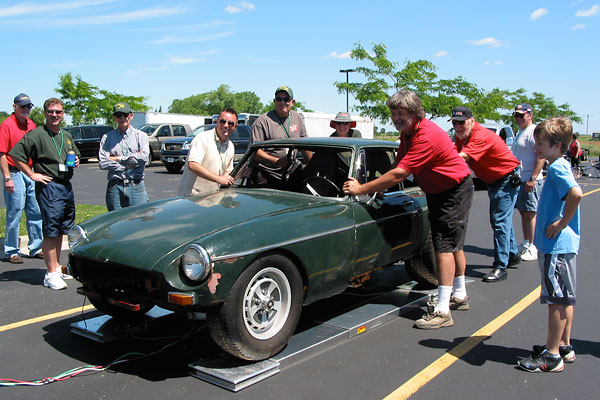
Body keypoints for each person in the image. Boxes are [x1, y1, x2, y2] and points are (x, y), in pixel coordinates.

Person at [343, 90, 473, 330]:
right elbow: (398, 164)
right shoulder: (408, 134)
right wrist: (380, 186)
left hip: (453, 191)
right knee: (454, 244)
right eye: (393, 113)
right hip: (440, 191)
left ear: (414, 113)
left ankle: (443, 310)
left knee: (444, 245)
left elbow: (401, 174)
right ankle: (460, 295)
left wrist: (362, 189)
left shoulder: (426, 135)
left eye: (401, 113)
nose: (396, 118)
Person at [517, 117, 582, 373]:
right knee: (565, 298)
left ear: (556, 144)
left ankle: (552, 354)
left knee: (555, 299)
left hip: (555, 245)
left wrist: (561, 223)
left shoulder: (556, 168)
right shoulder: (561, 164)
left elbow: (575, 194)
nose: (536, 149)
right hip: (563, 246)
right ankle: (564, 345)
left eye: (540, 144)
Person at [9, 98, 80, 290]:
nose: (54, 115)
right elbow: (15, 154)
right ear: (45, 113)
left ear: (63, 114)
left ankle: (56, 267)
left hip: (65, 185)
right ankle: (49, 274)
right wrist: (32, 174)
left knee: (60, 229)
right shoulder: (37, 134)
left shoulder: (65, 135)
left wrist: (77, 161)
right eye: (51, 111)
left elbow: (75, 154)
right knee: (50, 230)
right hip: (49, 186)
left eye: (58, 112)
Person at [452, 106, 521, 283]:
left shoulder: (480, 136)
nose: (458, 126)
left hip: (505, 179)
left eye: (461, 122)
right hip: (492, 180)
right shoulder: (462, 137)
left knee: (499, 221)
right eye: (454, 122)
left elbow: (460, 158)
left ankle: (500, 266)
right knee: (502, 219)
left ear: (471, 120)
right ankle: (511, 254)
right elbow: (453, 151)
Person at [0, 94, 43, 264]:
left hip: (30, 171)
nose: (26, 109)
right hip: (14, 172)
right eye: (23, 106)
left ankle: (36, 247)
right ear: (14, 106)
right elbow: (2, 154)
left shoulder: (31, 124)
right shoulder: (6, 125)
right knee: (15, 212)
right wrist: (7, 178)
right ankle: (12, 250)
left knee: (35, 210)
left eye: (28, 106)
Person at [250, 86, 312, 183]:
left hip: (289, 175)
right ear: (274, 101)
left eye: (286, 99)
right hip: (265, 175)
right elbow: (254, 152)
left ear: (292, 102)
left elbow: (305, 147)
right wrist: (277, 161)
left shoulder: (297, 118)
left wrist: (313, 168)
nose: (282, 102)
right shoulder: (262, 121)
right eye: (279, 99)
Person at [99, 102, 150, 211]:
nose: (122, 118)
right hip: (115, 186)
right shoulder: (107, 138)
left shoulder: (141, 136)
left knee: (139, 220)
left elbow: (144, 157)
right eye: (119, 115)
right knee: (115, 222)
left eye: (125, 115)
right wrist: (126, 165)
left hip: (136, 185)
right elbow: (103, 162)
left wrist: (117, 158)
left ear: (131, 116)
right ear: (114, 117)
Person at [512, 103, 545, 262]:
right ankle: (526, 242)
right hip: (521, 179)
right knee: (524, 212)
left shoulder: (533, 132)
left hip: (531, 179)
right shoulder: (521, 131)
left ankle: (534, 246)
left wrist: (533, 177)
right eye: (516, 115)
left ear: (530, 115)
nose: (518, 118)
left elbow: (541, 155)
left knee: (531, 214)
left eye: (521, 115)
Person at [178, 108, 237, 196]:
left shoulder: (230, 146)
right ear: (217, 121)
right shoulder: (202, 138)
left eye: (231, 123)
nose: (226, 125)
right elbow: (193, 165)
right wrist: (218, 179)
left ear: (235, 126)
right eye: (223, 121)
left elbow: (226, 175)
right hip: (192, 199)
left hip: (214, 198)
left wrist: (240, 174)